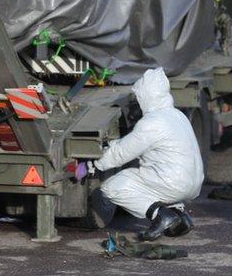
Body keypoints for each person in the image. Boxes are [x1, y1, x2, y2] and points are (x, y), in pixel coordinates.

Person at [74, 68, 204, 241]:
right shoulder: (177, 115)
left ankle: (161, 216)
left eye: (139, 97)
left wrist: (92, 165)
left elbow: (122, 152)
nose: (138, 101)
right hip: (193, 184)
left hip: (174, 183)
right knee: (149, 173)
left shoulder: (152, 123)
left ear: (147, 96)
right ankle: (179, 215)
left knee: (113, 187)